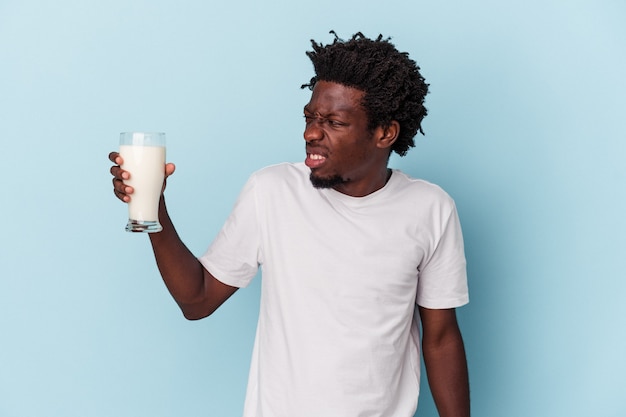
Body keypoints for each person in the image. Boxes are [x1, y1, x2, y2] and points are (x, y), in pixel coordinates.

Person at [110, 31, 470, 417]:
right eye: (310, 117)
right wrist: (155, 207)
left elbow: (441, 338)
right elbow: (197, 300)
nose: (311, 133)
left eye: (334, 121)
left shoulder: (430, 209)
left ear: (385, 133)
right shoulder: (272, 191)